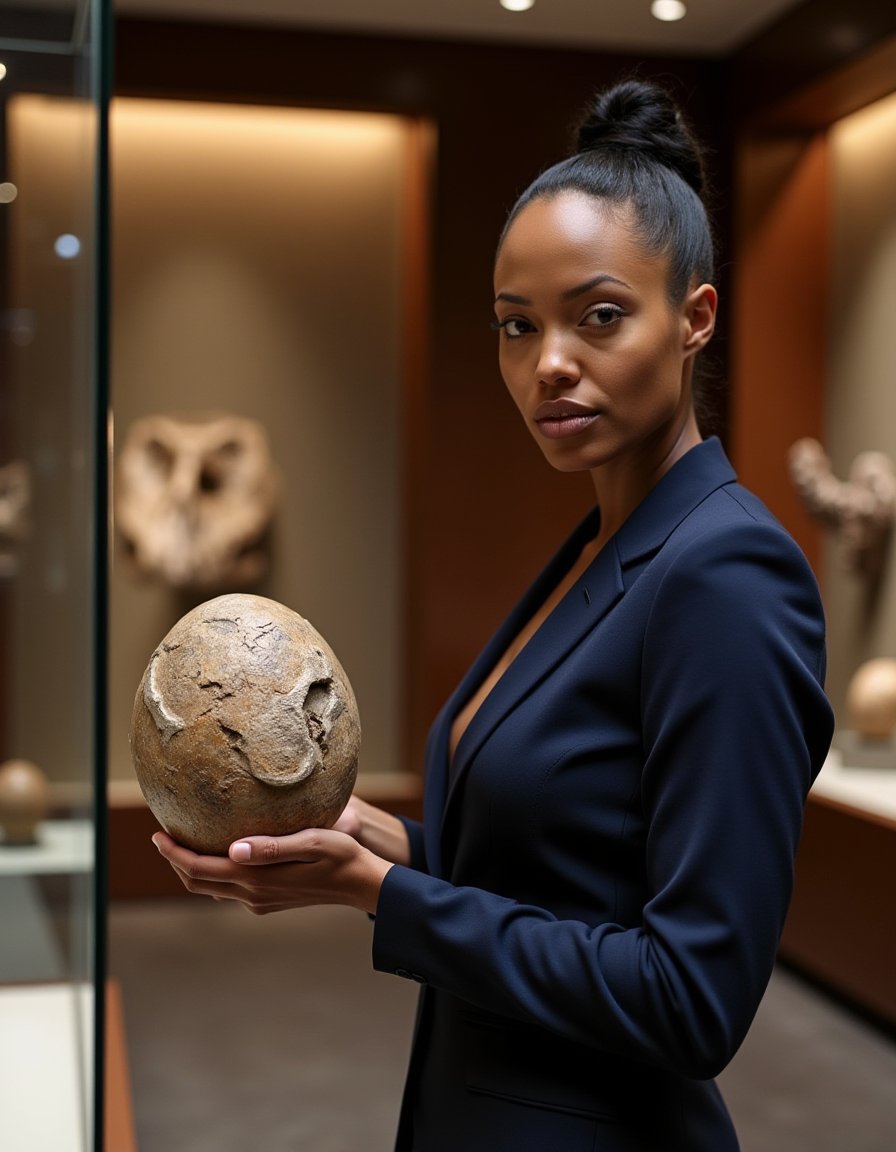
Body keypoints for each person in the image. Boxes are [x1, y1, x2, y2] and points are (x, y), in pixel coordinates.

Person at [154, 79, 834, 1151]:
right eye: (516, 326)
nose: (546, 363)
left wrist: (387, 897)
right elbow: (569, 875)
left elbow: (689, 994)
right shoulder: (599, 548)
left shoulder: (727, 572)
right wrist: (396, 849)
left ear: (694, 316)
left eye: (597, 316)